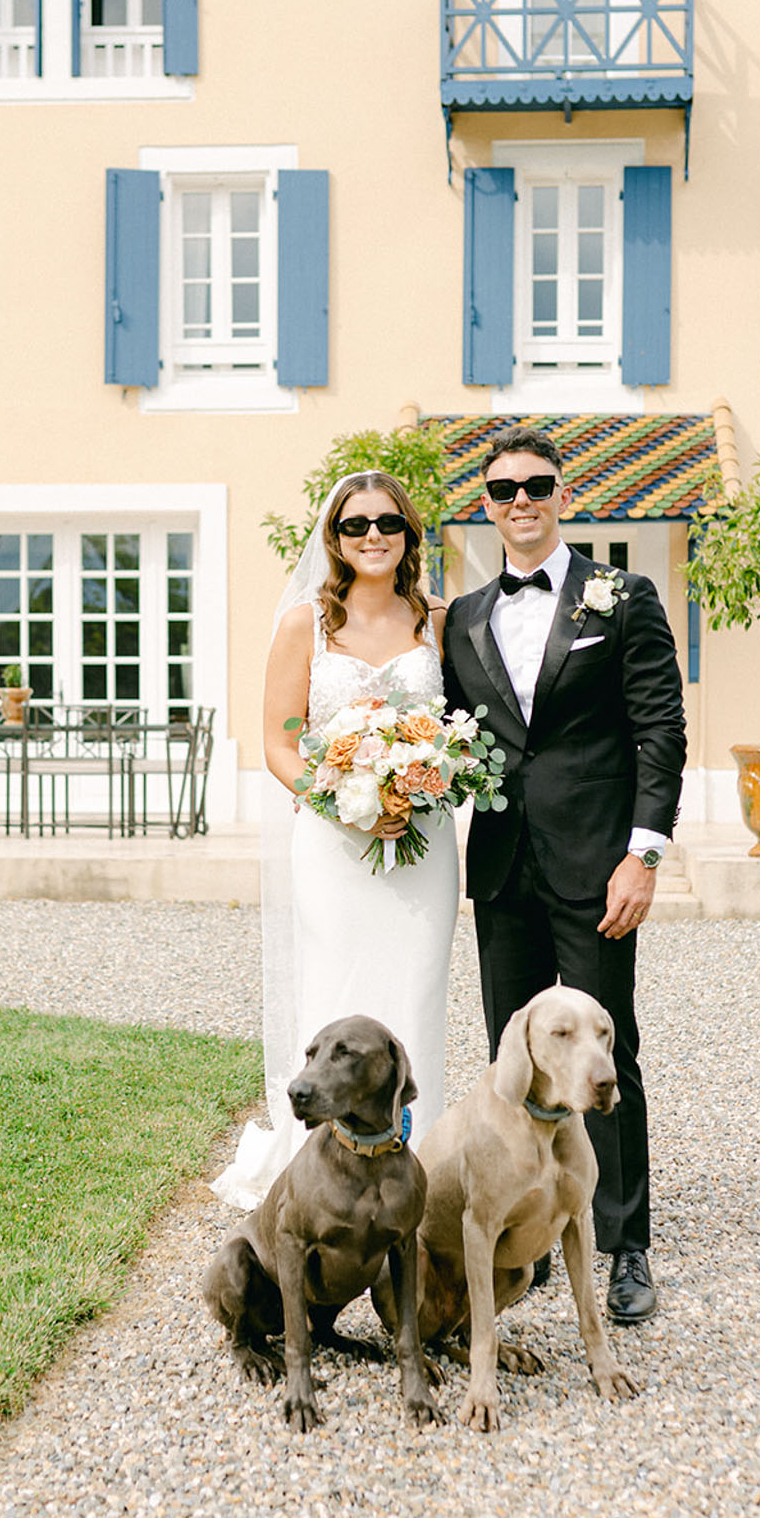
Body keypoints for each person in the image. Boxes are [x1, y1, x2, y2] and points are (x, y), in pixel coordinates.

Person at [441, 425, 686, 1323]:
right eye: (503, 490)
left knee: (602, 1060)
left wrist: (643, 855)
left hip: (597, 869)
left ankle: (625, 1244)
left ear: (561, 492)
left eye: (536, 485)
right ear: (487, 503)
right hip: (502, 870)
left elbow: (662, 732)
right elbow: (457, 740)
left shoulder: (622, 598)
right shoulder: (463, 620)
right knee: (515, 1058)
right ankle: (529, 1229)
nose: (521, 503)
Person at [214, 472, 460, 1210]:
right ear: (337, 539)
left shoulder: (437, 619)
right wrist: (344, 800)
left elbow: (461, 731)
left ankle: (414, 1163)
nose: (374, 536)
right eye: (357, 526)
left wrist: (416, 784)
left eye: (389, 522)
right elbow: (279, 739)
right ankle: (322, 1173)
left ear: (410, 534)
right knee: (335, 993)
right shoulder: (305, 625)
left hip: (424, 845)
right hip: (332, 845)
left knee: (415, 996)